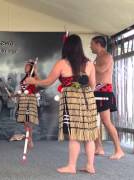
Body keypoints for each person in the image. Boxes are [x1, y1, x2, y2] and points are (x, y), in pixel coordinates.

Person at [27, 34, 98, 174]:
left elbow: (48, 82)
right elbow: (93, 86)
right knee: (88, 135)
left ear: (67, 47)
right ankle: (90, 166)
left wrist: (34, 81)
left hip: (71, 100)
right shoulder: (89, 63)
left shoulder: (62, 63)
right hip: (88, 100)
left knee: (74, 135)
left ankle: (72, 166)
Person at [90, 36, 124, 159]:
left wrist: (90, 65)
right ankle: (99, 147)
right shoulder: (97, 57)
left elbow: (102, 69)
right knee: (92, 121)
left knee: (106, 121)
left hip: (104, 91)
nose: (90, 46)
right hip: (96, 90)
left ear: (98, 44)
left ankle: (119, 150)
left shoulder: (107, 56)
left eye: (92, 44)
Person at [16, 60, 39, 148]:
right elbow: (22, 90)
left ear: (31, 68)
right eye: (25, 66)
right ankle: (28, 139)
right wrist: (16, 95)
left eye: (27, 66)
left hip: (30, 99)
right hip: (23, 99)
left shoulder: (33, 76)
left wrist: (36, 71)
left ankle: (30, 140)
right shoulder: (25, 77)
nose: (25, 67)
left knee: (29, 121)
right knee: (25, 122)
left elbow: (39, 83)